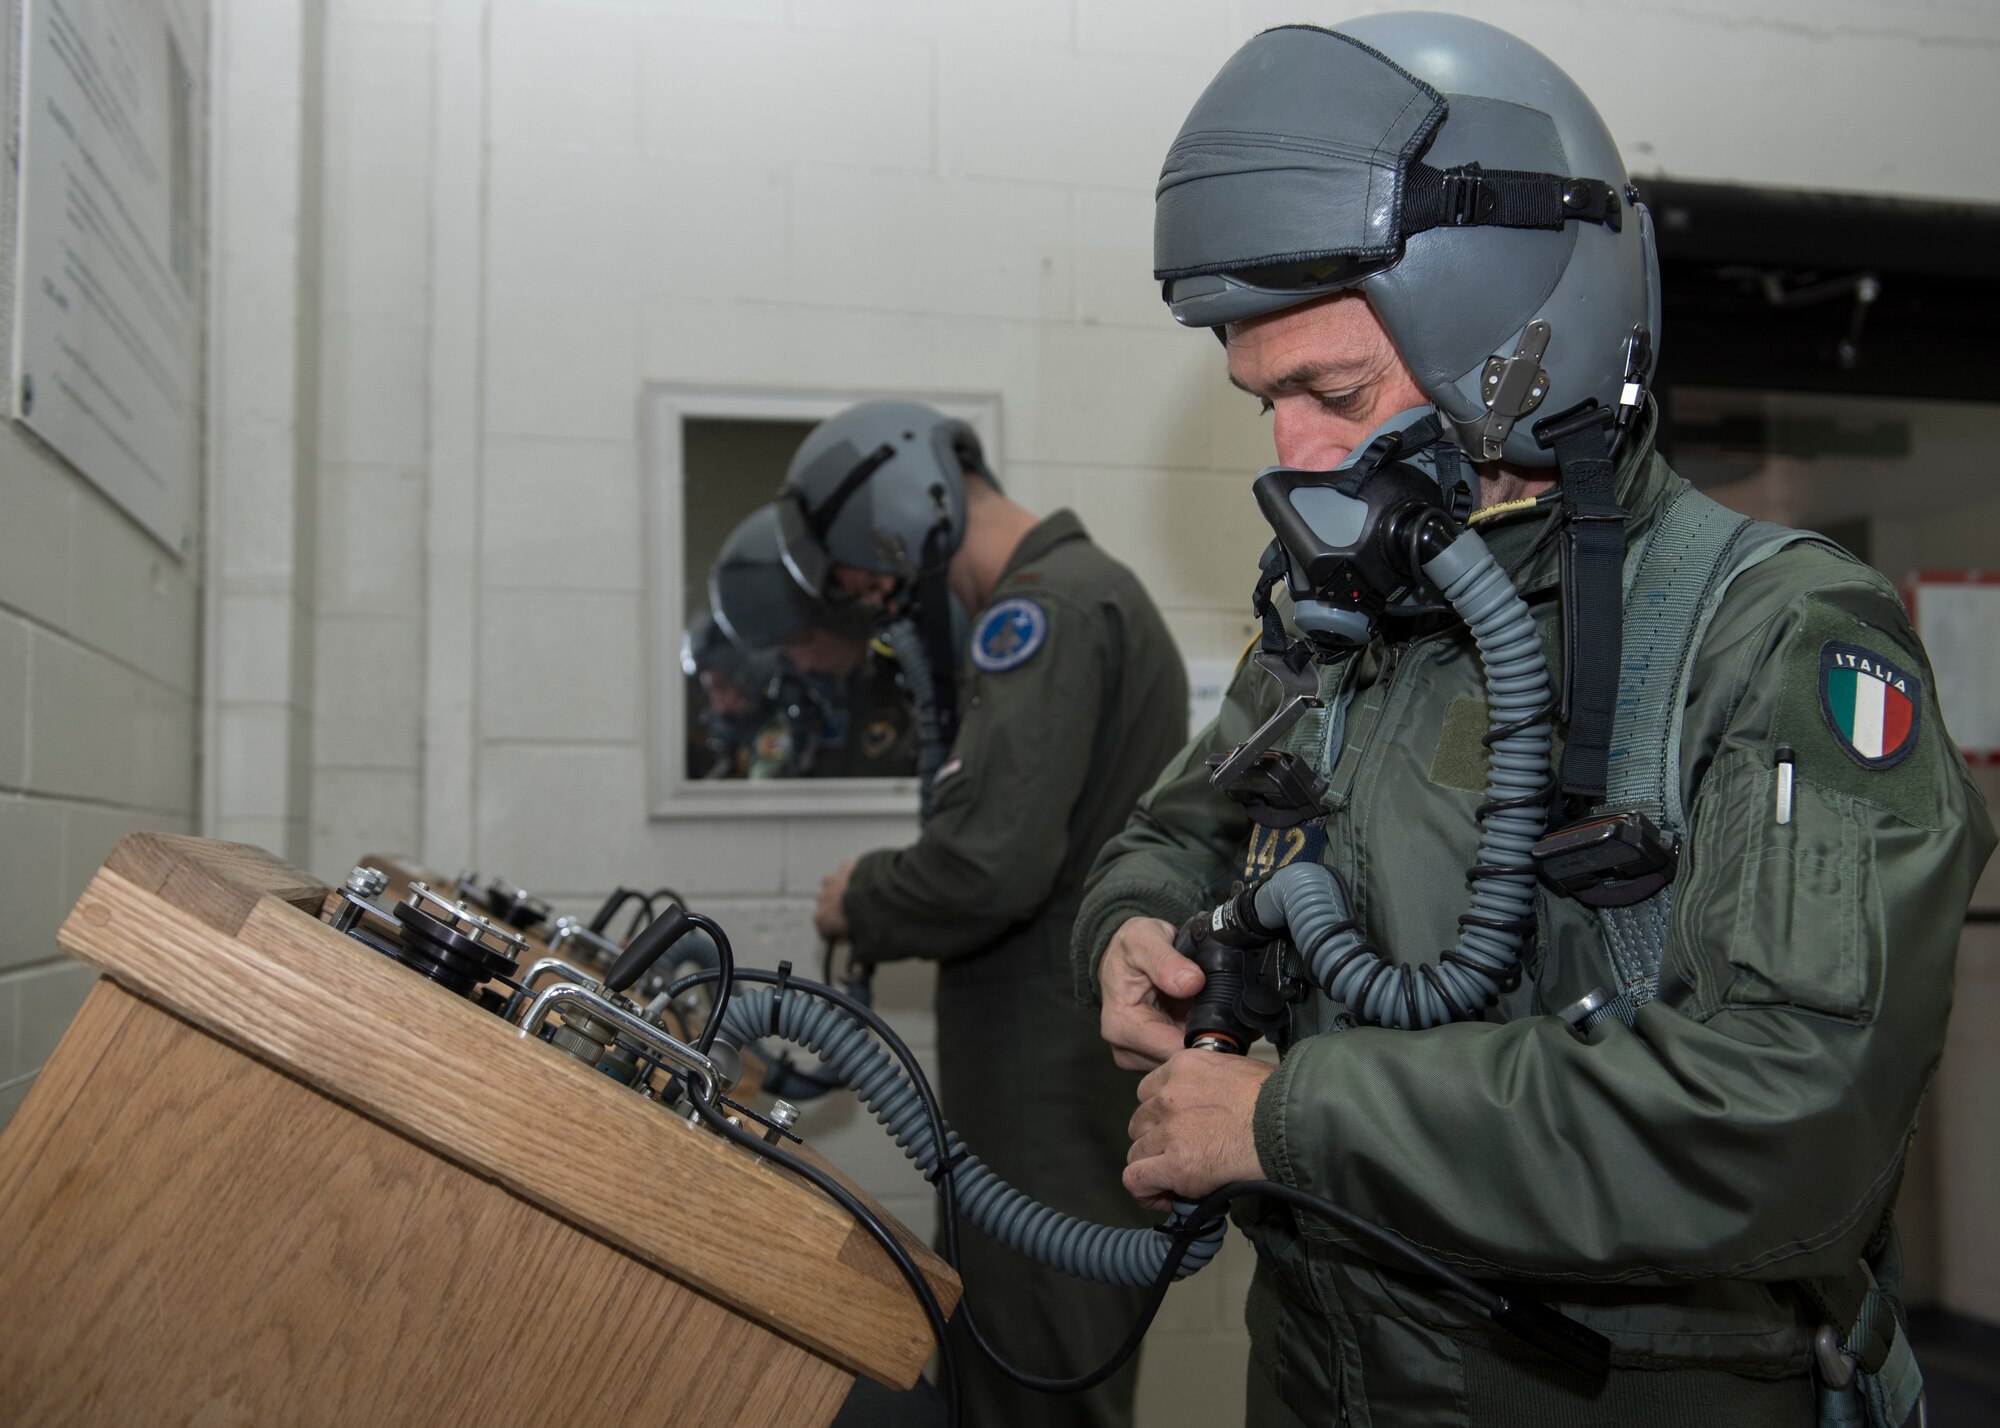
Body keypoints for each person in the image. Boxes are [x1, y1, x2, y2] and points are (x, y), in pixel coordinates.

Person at [1074, 16, 1994, 1428]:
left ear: (1523, 354)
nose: (1295, 457)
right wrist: (1131, 934)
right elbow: (1173, 835)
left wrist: (1285, 1120)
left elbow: (1790, 1115)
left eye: (1335, 394)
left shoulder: (1774, 637)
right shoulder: (1338, 624)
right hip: (1323, 1372)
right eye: (1265, 401)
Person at [779, 400, 1188, 1428]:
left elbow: (988, 866)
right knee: (1006, 1362)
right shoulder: (1064, 599)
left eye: (858, 567)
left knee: (1038, 1375)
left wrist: (860, 898)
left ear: (897, 508)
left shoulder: (1041, 610)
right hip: (1043, 1067)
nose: (869, 596)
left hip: (1045, 1076)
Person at [709, 505, 918, 780]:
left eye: (804, 641)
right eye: (784, 649)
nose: (799, 662)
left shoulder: (913, 694)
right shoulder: (807, 710)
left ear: (849, 617)